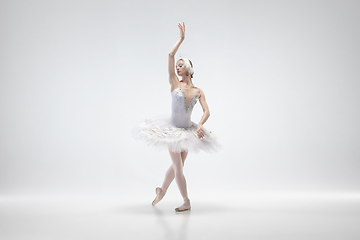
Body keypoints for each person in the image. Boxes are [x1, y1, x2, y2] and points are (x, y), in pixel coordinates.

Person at [134, 22, 220, 212]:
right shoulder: (174, 83)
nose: (177, 68)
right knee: (179, 168)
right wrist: (181, 39)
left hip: (187, 131)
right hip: (171, 130)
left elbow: (207, 111)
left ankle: (161, 190)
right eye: (177, 66)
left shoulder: (198, 91)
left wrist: (201, 125)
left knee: (177, 166)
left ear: (189, 69)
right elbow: (170, 55)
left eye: (181, 66)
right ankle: (186, 201)